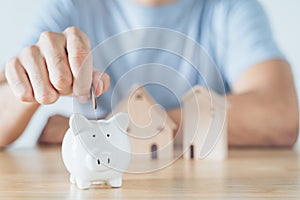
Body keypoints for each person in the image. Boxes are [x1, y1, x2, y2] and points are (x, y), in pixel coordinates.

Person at [0, 0, 298, 148]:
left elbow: (280, 115)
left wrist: (107, 134)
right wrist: (30, 86)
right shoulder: (71, 5)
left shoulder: (230, 8)